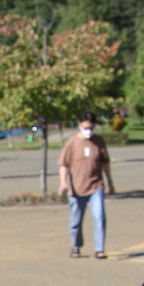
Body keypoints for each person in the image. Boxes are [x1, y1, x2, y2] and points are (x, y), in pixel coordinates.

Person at [58, 111, 114, 259]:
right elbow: (63, 164)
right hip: (76, 188)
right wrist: (63, 182)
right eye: (85, 127)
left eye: (91, 128)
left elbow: (105, 163)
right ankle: (75, 247)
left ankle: (99, 249)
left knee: (99, 217)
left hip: (96, 186)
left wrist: (110, 182)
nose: (88, 130)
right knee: (76, 221)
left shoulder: (98, 141)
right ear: (80, 125)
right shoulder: (72, 142)